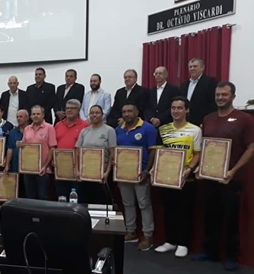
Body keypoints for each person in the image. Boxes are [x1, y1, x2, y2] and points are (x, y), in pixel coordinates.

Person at [194, 82, 254, 271]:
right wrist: (200, 168)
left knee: (230, 218)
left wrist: (233, 171)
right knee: (210, 215)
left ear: (233, 97)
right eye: (218, 95)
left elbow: (252, 147)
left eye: (224, 95)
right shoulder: (208, 118)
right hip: (209, 176)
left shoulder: (244, 119)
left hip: (231, 178)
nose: (220, 98)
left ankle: (230, 256)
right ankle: (210, 252)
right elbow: (205, 146)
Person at [154, 97, 202, 258]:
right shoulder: (163, 129)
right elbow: (160, 153)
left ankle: (183, 243)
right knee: (168, 210)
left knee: (185, 212)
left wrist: (189, 169)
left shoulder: (195, 130)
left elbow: (197, 154)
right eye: (173, 108)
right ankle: (170, 241)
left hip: (185, 178)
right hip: (167, 177)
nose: (176, 111)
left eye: (180, 108)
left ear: (187, 110)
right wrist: (156, 169)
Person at [115, 103, 157, 251]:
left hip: (141, 174)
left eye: (129, 111)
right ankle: (131, 231)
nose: (127, 114)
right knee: (127, 204)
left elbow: (152, 151)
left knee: (144, 204)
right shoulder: (118, 129)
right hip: (123, 174)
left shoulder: (148, 128)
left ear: (137, 112)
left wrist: (147, 171)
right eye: (124, 112)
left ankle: (147, 236)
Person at [75, 105, 116, 204]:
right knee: (84, 203)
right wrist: (77, 170)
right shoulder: (84, 131)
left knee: (101, 204)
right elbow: (77, 152)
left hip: (102, 175)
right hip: (85, 174)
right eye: (92, 113)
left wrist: (107, 172)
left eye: (97, 113)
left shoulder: (109, 130)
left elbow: (112, 154)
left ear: (102, 115)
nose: (94, 115)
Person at [19, 105, 57, 200]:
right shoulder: (27, 129)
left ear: (43, 115)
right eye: (33, 114)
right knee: (30, 197)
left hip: (43, 169)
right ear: (31, 116)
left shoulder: (49, 128)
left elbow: (52, 148)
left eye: (38, 114)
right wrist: (19, 144)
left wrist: (45, 166)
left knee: (42, 197)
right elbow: (24, 145)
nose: (35, 116)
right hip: (28, 169)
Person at [54, 99, 88, 198]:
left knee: (76, 198)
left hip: (77, 169)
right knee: (61, 197)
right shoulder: (58, 125)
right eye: (67, 108)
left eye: (72, 108)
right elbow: (54, 145)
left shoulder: (85, 126)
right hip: (60, 168)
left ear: (78, 110)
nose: (69, 110)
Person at [179, 58, 218, 126]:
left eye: (195, 66)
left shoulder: (210, 82)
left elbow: (213, 104)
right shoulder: (184, 85)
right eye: (190, 67)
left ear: (202, 67)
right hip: (185, 122)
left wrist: (207, 121)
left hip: (202, 122)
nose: (192, 68)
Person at [4, 109, 29, 197]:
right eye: (17, 117)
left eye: (21, 116)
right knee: (16, 191)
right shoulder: (13, 132)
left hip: (29, 167)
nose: (18, 118)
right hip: (15, 165)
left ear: (27, 118)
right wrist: (7, 165)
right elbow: (10, 149)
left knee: (28, 192)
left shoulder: (32, 130)